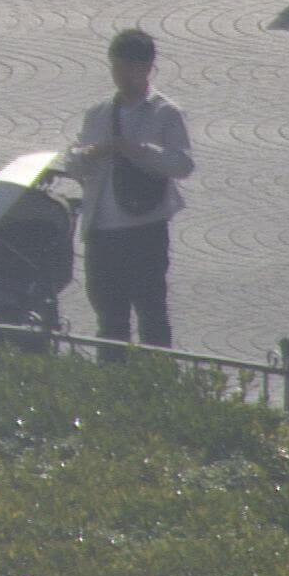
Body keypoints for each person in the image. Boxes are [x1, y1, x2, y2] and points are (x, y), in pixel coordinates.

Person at [62, 28, 193, 359]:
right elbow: (72, 162)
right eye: (115, 68)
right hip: (102, 232)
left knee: (152, 317)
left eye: (128, 68)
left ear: (147, 68)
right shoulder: (99, 113)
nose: (121, 76)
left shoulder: (165, 113)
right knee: (109, 320)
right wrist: (89, 155)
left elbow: (182, 164)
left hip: (145, 230)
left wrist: (139, 150)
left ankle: (156, 382)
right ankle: (112, 384)